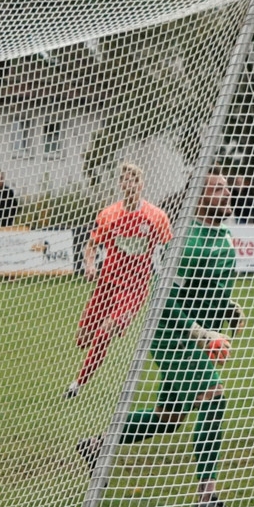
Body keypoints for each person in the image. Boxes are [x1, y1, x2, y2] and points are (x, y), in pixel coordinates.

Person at [77, 167, 244, 507]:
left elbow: (208, 289)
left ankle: (99, 444)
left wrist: (230, 307)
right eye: (217, 189)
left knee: (168, 418)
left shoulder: (225, 235)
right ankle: (206, 496)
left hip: (198, 338)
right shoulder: (184, 241)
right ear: (199, 198)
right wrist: (202, 333)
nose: (226, 193)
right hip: (173, 336)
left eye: (226, 187)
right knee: (214, 397)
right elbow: (164, 299)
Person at [65, 163, 172, 399]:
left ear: (142, 185)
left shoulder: (156, 217)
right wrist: (90, 265)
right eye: (125, 179)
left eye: (134, 179)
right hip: (107, 284)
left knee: (105, 332)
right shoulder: (109, 215)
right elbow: (91, 245)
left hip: (134, 289)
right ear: (120, 184)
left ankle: (77, 384)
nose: (129, 184)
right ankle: (86, 361)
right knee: (83, 339)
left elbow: (170, 248)